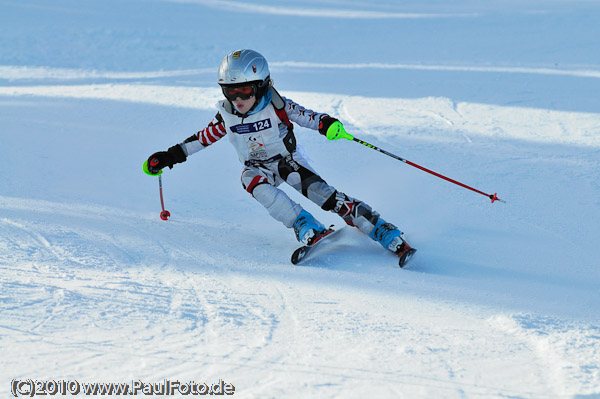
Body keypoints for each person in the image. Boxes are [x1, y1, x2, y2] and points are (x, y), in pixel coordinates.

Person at [144, 49, 413, 260]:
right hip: (257, 166)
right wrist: (169, 156)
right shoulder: (226, 115)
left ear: (261, 85)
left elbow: (309, 117)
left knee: (324, 195)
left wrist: (327, 124)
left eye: (244, 90)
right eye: (229, 90)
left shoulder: (277, 105)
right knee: (251, 181)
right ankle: (304, 224)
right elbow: (202, 138)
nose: (237, 98)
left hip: (288, 161)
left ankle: (379, 227)